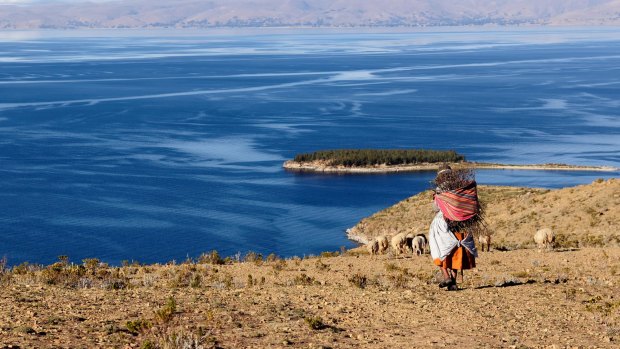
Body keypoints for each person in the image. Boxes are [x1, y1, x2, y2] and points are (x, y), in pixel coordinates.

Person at [428, 164, 479, 291]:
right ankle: (454, 282)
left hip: (443, 222)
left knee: (439, 248)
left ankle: (446, 276)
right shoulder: (461, 186)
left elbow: (436, 208)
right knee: (456, 251)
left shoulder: (440, 189)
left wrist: (436, 198)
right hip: (461, 222)